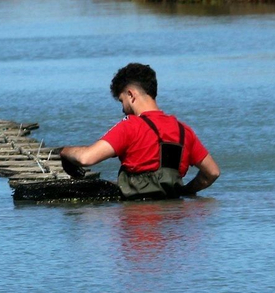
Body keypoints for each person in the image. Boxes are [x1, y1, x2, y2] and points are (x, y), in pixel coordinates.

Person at [59, 63, 220, 199]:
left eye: (122, 101)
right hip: (172, 224)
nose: (123, 109)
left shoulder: (130, 126)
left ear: (131, 94)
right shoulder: (184, 131)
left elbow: (86, 158)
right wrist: (186, 191)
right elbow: (212, 172)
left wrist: (64, 151)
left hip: (136, 221)